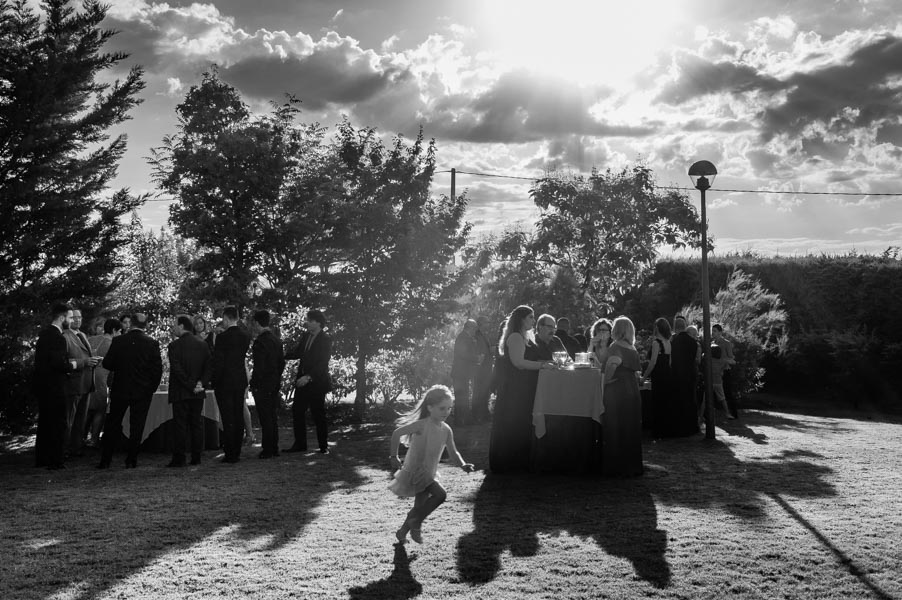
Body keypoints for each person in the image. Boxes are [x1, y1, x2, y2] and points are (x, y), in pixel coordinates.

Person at [388, 385, 474, 544]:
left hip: (429, 472)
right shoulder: (422, 424)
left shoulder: (446, 429)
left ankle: (402, 532)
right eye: (442, 408)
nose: (446, 412)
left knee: (419, 508)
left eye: (449, 408)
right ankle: (417, 523)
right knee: (440, 495)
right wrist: (393, 456)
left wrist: (463, 465)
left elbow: (454, 452)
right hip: (415, 471)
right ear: (430, 407)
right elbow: (396, 434)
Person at [488, 305, 553, 473]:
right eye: (531, 317)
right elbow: (519, 363)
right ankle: (509, 462)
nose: (533, 320)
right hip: (515, 389)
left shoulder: (525, 336)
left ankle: (519, 460)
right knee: (513, 422)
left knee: (521, 423)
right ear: (522, 319)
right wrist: (543, 365)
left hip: (523, 387)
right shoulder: (516, 336)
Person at [98, 313, 163, 469]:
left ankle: (105, 459)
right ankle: (131, 459)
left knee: (112, 424)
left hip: (120, 388)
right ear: (145, 326)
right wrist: (151, 388)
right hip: (142, 391)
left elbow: (107, 363)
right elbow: (157, 370)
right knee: (137, 425)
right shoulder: (152, 343)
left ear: (130, 324)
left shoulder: (119, 341)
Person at [166, 314, 212, 467]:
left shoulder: (174, 346)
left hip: (181, 391)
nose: (173, 328)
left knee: (180, 425)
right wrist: (200, 383)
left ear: (181, 326)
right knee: (196, 424)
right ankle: (196, 457)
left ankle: (179, 458)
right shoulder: (203, 344)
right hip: (197, 391)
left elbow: (177, 370)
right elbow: (209, 367)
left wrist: (191, 384)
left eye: (175, 325)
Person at [284, 309, 333, 454]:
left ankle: (323, 446)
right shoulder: (306, 336)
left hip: (316, 382)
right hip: (302, 380)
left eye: (310, 320)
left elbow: (323, 363)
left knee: (318, 414)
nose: (307, 322)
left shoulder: (326, 339)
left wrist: (309, 377)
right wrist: (282, 355)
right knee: (297, 411)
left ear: (318, 322)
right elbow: (299, 353)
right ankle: (300, 444)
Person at [34, 303, 75, 469]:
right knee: (58, 423)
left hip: (42, 386)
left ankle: (42, 458)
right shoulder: (58, 338)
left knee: (44, 423)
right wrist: (72, 365)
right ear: (62, 317)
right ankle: (56, 460)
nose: (71, 321)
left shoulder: (43, 334)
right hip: (56, 386)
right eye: (70, 317)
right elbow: (58, 363)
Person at [601, 316, 643, 477]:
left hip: (618, 388)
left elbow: (612, 363)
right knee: (630, 426)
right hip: (632, 388)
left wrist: (607, 380)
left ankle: (616, 466)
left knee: (615, 424)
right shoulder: (632, 348)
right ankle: (631, 464)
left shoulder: (616, 346)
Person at [211, 306, 252, 463]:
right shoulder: (245, 336)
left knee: (227, 417)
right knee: (238, 414)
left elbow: (219, 362)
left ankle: (230, 452)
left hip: (225, 381)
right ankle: (237, 450)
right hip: (239, 379)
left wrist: (215, 380)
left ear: (226, 318)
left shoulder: (222, 338)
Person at [249, 310, 286, 459]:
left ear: (257, 323)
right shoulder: (277, 340)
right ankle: (274, 446)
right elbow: (281, 362)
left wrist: (255, 383)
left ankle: (267, 448)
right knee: (272, 416)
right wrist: (276, 377)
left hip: (263, 384)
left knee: (265, 417)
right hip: (274, 382)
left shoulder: (260, 342)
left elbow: (259, 366)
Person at [63, 307, 99, 457]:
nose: (77, 320)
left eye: (80, 317)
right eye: (74, 317)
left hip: (86, 383)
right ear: (68, 319)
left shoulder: (82, 335)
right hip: (73, 384)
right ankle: (64, 450)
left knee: (80, 420)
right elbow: (64, 362)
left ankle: (76, 448)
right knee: (69, 420)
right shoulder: (64, 336)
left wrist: (94, 361)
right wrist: (85, 362)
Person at [85, 318, 122, 448]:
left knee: (86, 409)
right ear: (113, 330)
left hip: (87, 376)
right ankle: (94, 439)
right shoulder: (112, 343)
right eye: (119, 331)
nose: (120, 334)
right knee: (100, 409)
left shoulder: (91, 339)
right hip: (101, 378)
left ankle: (80, 438)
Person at [640, 317, 674, 438]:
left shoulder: (656, 343)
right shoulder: (668, 342)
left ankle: (658, 431)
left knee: (657, 402)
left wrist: (644, 378)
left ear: (657, 328)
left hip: (659, 375)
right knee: (666, 402)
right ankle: (666, 429)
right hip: (667, 374)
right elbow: (669, 361)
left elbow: (652, 362)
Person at [671, 316, 702, 435]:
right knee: (691, 399)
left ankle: (681, 426)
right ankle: (693, 426)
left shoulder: (674, 341)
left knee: (680, 400)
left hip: (678, 374)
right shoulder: (693, 342)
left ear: (675, 327)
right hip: (691, 373)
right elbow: (696, 359)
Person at [450, 319, 479, 425]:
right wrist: (476, 358)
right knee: (461, 398)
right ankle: (460, 421)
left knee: (463, 397)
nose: (476, 330)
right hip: (459, 373)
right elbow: (463, 353)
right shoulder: (462, 337)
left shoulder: (467, 337)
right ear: (469, 327)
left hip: (463, 373)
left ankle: (463, 420)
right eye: (475, 328)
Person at [471, 315, 496, 423]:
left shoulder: (484, 335)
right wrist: (490, 350)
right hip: (480, 369)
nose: (488, 325)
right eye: (487, 323)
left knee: (485, 392)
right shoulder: (477, 336)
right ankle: (477, 416)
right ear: (481, 324)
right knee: (479, 393)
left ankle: (484, 415)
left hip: (486, 368)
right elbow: (479, 351)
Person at [712, 324, 738, 419]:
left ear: (720, 332)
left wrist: (724, 360)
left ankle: (733, 414)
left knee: (728, 393)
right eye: (712, 330)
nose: (712, 332)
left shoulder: (726, 343)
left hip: (725, 371)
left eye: (714, 331)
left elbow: (732, 358)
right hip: (715, 372)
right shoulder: (712, 343)